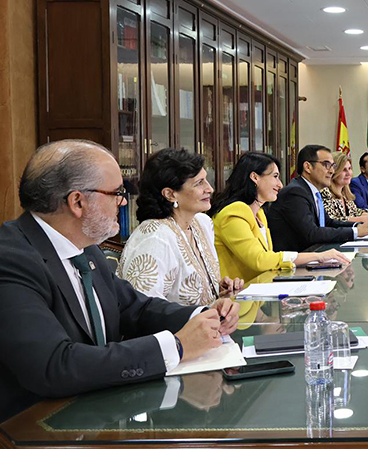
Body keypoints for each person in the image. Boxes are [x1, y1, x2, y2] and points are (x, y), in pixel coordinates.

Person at [0, 139, 239, 422]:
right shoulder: (11, 259)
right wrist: (176, 346)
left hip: (99, 410)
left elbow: (133, 309)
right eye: (116, 193)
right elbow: (54, 365)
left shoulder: (85, 247)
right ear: (77, 201)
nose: (124, 201)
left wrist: (204, 315)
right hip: (34, 425)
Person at [118, 148, 243, 306]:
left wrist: (219, 290)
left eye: (206, 180)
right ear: (170, 194)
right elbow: (143, 310)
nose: (210, 189)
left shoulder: (201, 223)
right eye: (199, 183)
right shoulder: (155, 239)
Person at [211, 152, 349, 283]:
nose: (280, 184)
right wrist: (318, 256)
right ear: (255, 177)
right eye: (275, 176)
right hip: (237, 298)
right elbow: (260, 260)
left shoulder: (259, 214)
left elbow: (270, 259)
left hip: (260, 292)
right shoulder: (234, 212)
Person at [266, 145, 368, 251]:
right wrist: (355, 231)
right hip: (294, 263)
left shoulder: (312, 191)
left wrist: (358, 226)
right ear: (308, 167)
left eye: (333, 166)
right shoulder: (295, 192)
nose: (331, 171)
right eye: (326, 165)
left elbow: (328, 222)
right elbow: (312, 233)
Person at [322, 152, 368, 223]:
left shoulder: (345, 194)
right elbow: (332, 221)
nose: (349, 173)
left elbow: (355, 212)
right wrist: (363, 219)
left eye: (349, 168)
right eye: (344, 170)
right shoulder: (325, 193)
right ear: (333, 172)